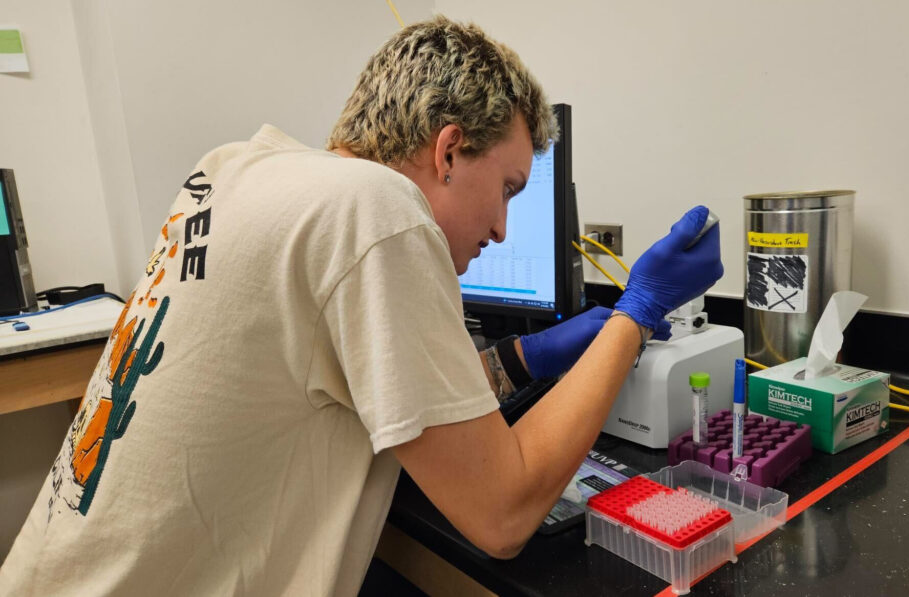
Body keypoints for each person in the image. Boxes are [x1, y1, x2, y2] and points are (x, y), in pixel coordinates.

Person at [0, 15, 722, 597]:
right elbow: (502, 513)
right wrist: (635, 311)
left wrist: (521, 358)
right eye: (506, 188)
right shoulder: (378, 209)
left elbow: (356, 385)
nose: (502, 228)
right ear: (447, 151)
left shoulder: (239, 167)